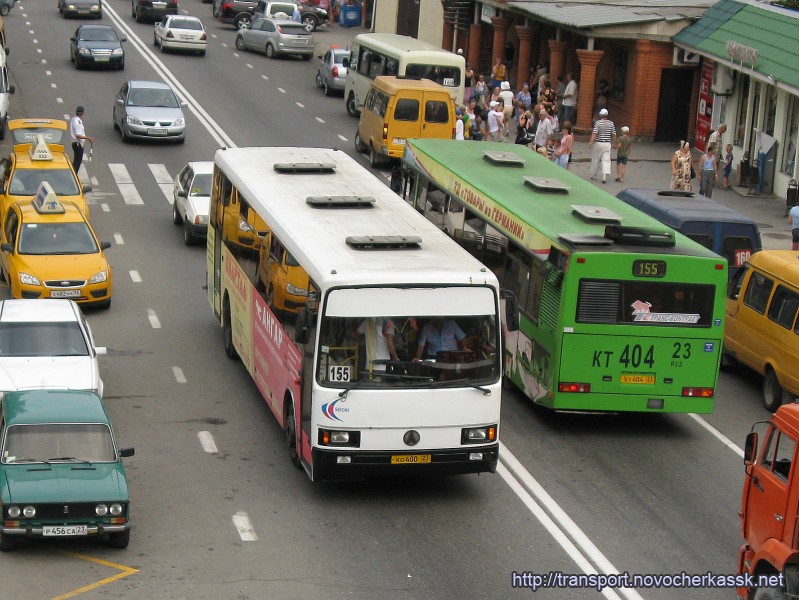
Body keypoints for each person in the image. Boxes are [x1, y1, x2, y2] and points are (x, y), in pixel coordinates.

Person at [588, 108, 617, 183]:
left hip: (599, 143)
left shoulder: (598, 123)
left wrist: (591, 142)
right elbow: (614, 134)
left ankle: (594, 175)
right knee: (606, 160)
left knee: (596, 159)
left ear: (600, 115)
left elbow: (595, 133)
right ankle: (604, 176)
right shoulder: (611, 123)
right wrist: (615, 143)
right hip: (607, 143)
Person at [69, 105, 94, 174]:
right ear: (82, 113)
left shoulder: (74, 119)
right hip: (78, 144)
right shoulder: (77, 122)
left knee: (76, 162)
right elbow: (78, 135)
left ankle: (73, 176)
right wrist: (88, 138)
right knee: (77, 164)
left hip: (75, 144)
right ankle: (74, 178)